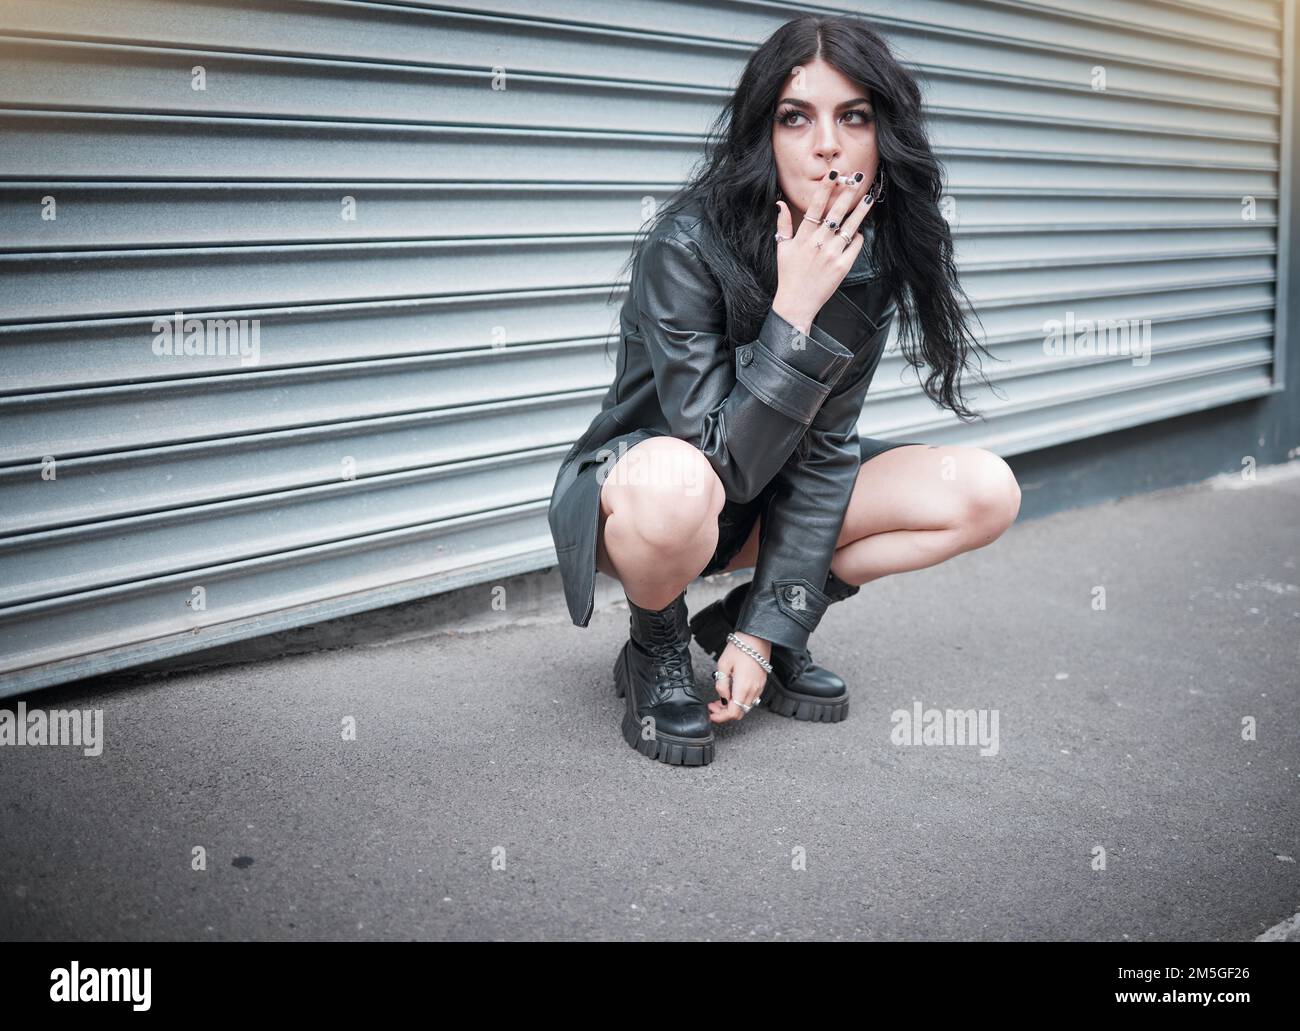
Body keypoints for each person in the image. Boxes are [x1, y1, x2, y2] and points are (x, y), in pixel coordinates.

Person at [547, 14, 1021, 766]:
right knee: (679, 484)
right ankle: (656, 644)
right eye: (796, 117)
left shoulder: (867, 260)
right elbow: (719, 460)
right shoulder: (685, 246)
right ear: (764, 134)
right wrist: (794, 309)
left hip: (762, 505)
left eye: (853, 116)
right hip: (650, 503)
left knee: (984, 490)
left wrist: (766, 632)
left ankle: (753, 610)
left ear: (881, 135)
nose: (826, 143)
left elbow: (826, 451)